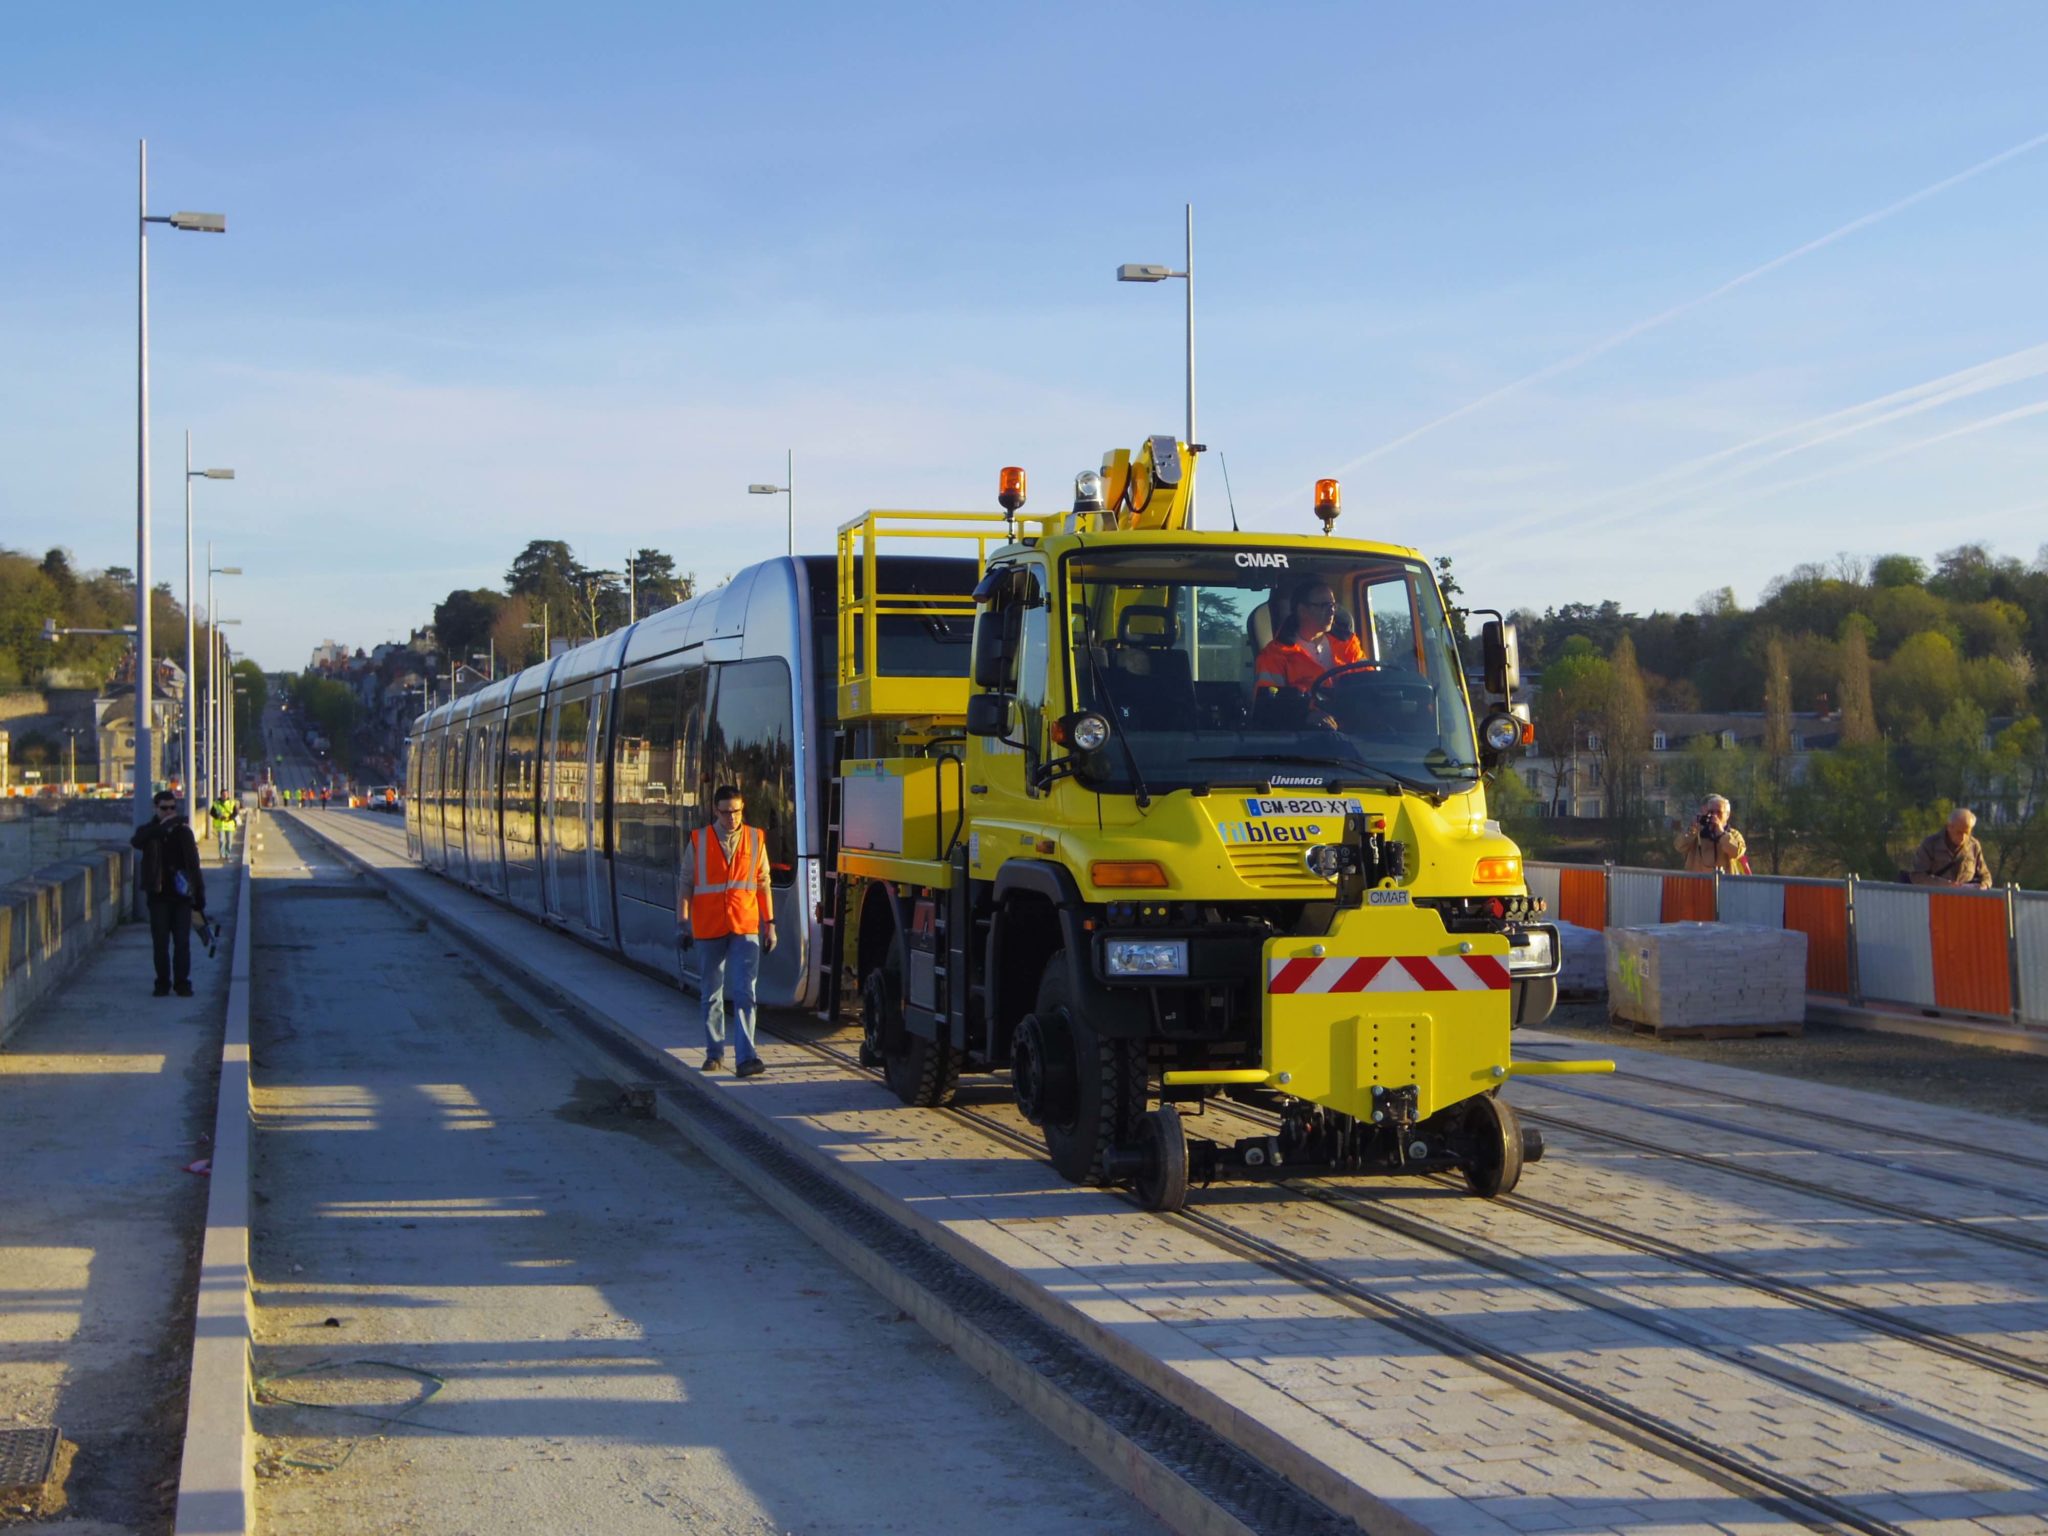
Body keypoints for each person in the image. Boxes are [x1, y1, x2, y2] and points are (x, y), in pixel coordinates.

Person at [675, 784, 777, 1077]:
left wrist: (770, 925)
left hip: (744, 925)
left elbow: (763, 882)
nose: (733, 817)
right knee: (711, 992)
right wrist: (683, 923)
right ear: (715, 811)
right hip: (708, 928)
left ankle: (747, 1058)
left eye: (737, 811)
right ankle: (714, 1053)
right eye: (726, 812)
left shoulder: (756, 839)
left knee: (745, 992)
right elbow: (686, 883)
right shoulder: (699, 840)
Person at [131, 789, 207, 998]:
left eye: (173, 807)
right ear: (156, 809)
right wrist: (161, 828)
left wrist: (199, 894)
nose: (169, 811)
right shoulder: (149, 831)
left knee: (182, 942)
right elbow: (136, 841)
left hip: (182, 896)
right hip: (158, 896)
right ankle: (162, 982)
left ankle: (182, 983)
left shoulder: (183, 832)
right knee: (160, 943)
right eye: (165, 808)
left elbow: (193, 864)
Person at [1254, 580, 1365, 698]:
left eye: (1332, 605)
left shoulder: (1348, 643)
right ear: (1302, 610)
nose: (1332, 611)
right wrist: (1310, 715)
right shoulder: (1275, 655)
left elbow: (1370, 683)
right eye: (1324, 605)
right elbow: (1269, 705)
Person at [1909, 808, 1993, 888]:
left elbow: (1986, 876)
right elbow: (1917, 876)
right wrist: (1944, 885)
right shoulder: (1930, 844)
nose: (1963, 837)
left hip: (1965, 900)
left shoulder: (1974, 846)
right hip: (1936, 899)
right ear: (1949, 827)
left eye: (1967, 833)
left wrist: (1983, 885)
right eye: (1959, 832)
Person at [1675, 793, 1748, 874]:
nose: (1714, 815)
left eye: (1718, 812)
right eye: (1711, 812)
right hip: (1698, 883)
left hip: (1724, 883)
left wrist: (1721, 833)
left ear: (1727, 815)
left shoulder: (1734, 835)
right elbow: (1679, 846)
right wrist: (1692, 829)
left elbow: (1737, 852)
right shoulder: (1697, 833)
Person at [208, 790, 238, 861]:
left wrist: (229, 818)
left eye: (226, 794)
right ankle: (221, 855)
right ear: (221, 795)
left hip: (229, 825)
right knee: (221, 840)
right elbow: (212, 812)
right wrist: (218, 817)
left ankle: (228, 855)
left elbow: (236, 812)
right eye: (223, 794)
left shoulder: (231, 803)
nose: (225, 796)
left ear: (228, 795)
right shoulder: (216, 803)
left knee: (229, 841)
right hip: (220, 825)